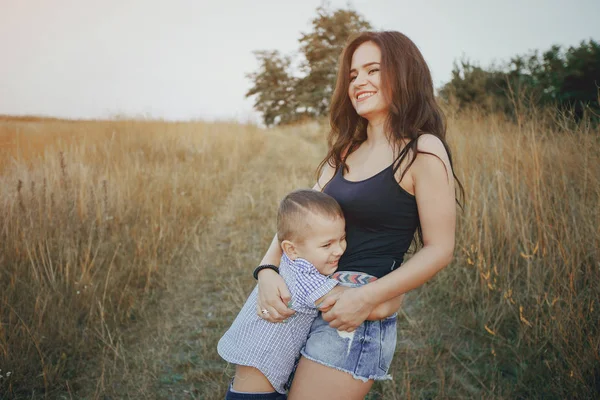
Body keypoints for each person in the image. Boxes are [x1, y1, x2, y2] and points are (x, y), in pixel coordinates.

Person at [255, 31, 464, 400]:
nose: (359, 83)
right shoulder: (345, 150)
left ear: (404, 74)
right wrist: (268, 270)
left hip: (354, 314)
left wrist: (367, 298)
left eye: (372, 70)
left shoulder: (421, 150)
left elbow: (440, 249)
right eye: (353, 75)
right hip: (303, 294)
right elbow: (299, 217)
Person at [217, 189, 402, 399]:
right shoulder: (304, 277)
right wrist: (395, 297)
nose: (340, 250)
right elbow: (351, 302)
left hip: (251, 381)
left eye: (342, 238)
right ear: (292, 249)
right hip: (258, 390)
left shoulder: (289, 261)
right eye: (327, 245)